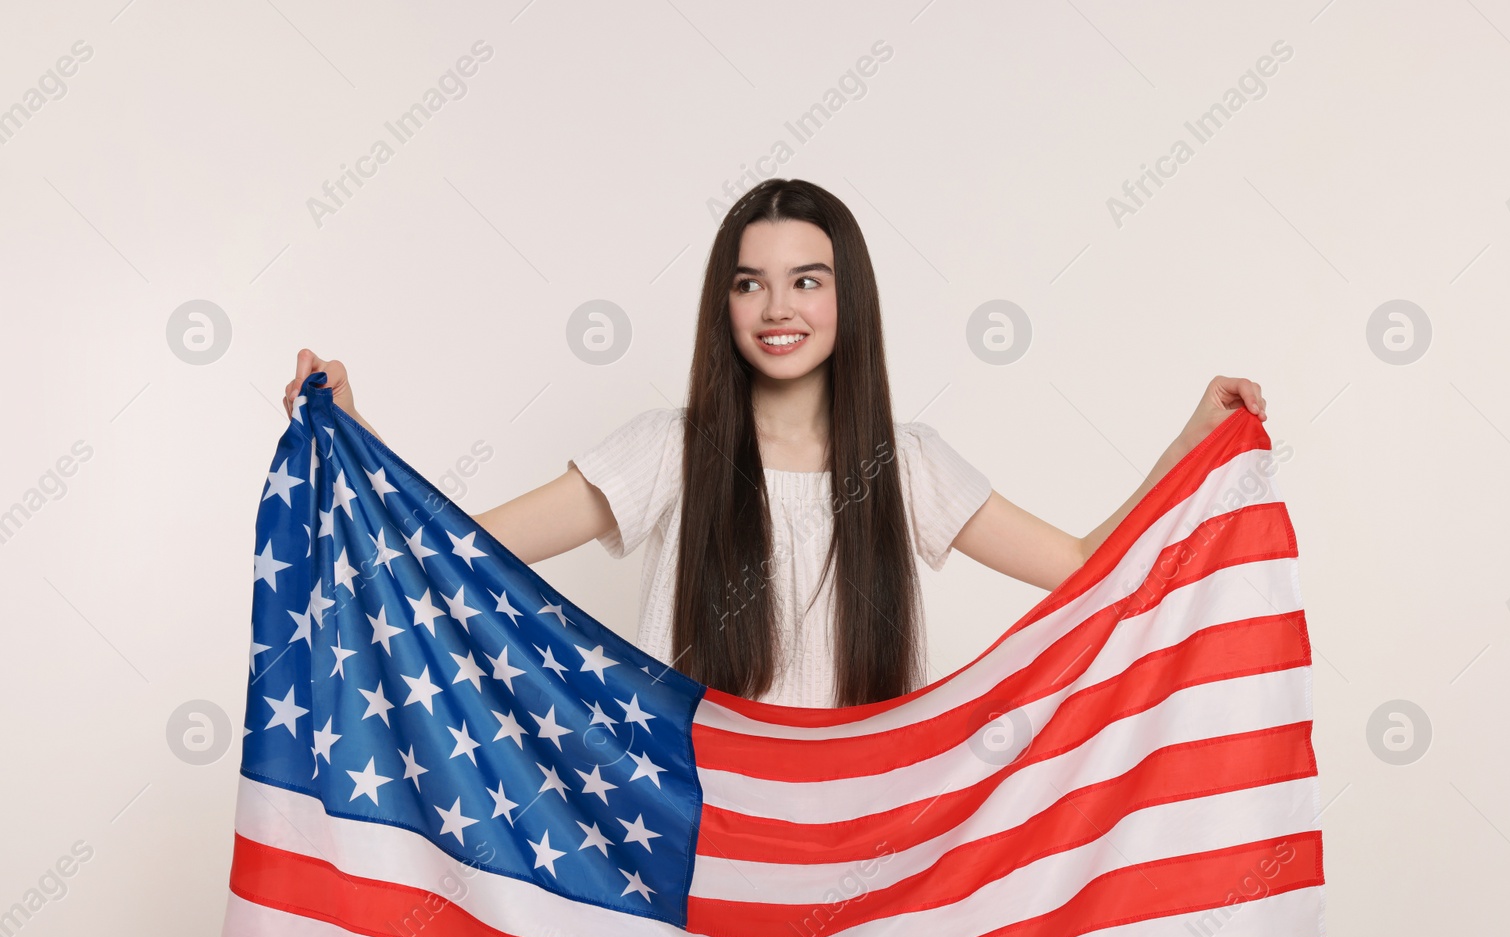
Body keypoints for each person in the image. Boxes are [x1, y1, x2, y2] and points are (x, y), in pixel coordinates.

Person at [282, 178, 1267, 710]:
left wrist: (1194, 437)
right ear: (724, 303)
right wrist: (357, 437)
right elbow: (461, 551)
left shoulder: (906, 460)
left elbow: (1091, 570)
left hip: (867, 827)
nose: (776, 305)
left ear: (848, 299)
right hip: (704, 822)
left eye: (806, 278)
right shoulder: (669, 448)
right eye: (749, 281)